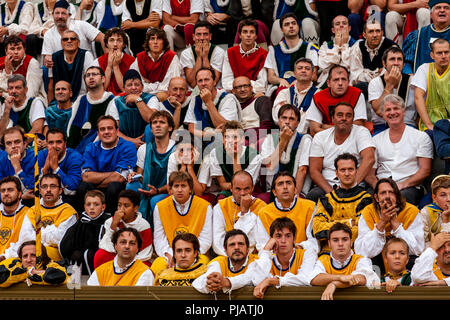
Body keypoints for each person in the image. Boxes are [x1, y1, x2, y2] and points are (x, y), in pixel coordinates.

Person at [368, 94, 433, 206]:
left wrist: (403, 184)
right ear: (383, 115)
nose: (392, 112)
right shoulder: (375, 140)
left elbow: (425, 170)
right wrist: (379, 187)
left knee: (399, 201)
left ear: (404, 111)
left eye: (396, 108)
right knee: (366, 201)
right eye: (388, 110)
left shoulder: (421, 137)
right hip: (382, 184)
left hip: (409, 187)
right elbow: (370, 173)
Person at [307, 102, 375, 202]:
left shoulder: (361, 132)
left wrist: (351, 186)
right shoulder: (320, 137)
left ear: (353, 120)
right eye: (340, 115)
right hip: (328, 186)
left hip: (356, 185)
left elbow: (369, 159)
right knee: (313, 196)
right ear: (332, 119)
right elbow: (314, 171)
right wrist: (333, 194)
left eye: (348, 116)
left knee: (369, 198)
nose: (344, 118)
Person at [355, 178, 425, 274]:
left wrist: (396, 225)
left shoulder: (411, 212)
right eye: (383, 193)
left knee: (416, 261)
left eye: (391, 192)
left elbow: (417, 249)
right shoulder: (368, 212)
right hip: (378, 263)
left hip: (404, 264)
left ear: (397, 196)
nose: (387, 196)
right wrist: (382, 223)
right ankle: (376, 288)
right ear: (376, 197)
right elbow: (362, 252)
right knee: (365, 262)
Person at [152, 171, 213, 276]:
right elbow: (159, 238)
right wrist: (173, 255)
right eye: (176, 186)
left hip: (197, 254)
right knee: (157, 267)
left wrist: (190, 255)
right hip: (170, 254)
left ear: (190, 189)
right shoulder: (160, 207)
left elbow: (206, 239)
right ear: (170, 189)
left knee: (204, 268)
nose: (180, 190)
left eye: (183, 186)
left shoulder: (205, 206)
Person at [312, 153, 373, 254]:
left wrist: (331, 228)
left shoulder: (366, 199)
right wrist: (349, 223)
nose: (347, 173)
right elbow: (317, 230)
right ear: (336, 173)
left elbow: (361, 231)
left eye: (350, 169)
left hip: (356, 254)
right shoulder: (326, 199)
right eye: (342, 170)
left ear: (356, 171)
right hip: (327, 255)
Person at [77, 115, 137, 214]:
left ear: (117, 131)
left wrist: (97, 181)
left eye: (110, 128)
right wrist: (113, 174)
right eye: (102, 129)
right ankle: (85, 219)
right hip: (95, 189)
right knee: (83, 186)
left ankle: (110, 219)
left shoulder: (127, 146)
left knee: (114, 186)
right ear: (98, 133)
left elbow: (120, 178)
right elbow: (86, 177)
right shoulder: (91, 147)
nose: (106, 132)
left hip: (115, 190)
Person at [309, 222, 380, 300]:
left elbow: (362, 278)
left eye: (344, 239)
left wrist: (334, 284)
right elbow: (314, 279)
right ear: (329, 243)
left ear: (351, 242)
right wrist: (340, 277)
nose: (340, 244)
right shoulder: (323, 260)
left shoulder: (361, 260)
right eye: (335, 240)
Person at [127, 110, 175, 221]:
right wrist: (134, 176)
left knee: (155, 200)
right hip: (148, 188)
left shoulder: (176, 150)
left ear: (170, 128)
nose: (157, 125)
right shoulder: (144, 149)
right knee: (130, 187)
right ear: (151, 128)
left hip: (167, 191)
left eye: (162, 122)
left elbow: (176, 183)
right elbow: (141, 175)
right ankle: (131, 224)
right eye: (154, 123)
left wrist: (157, 191)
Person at [252, 217, 318, 299]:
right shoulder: (267, 257)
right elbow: (257, 280)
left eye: (288, 236)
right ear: (271, 239)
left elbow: (305, 278)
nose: (283, 240)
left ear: (294, 239)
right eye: (278, 236)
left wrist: (271, 281)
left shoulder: (308, 254)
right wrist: (266, 250)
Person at [257, 171, 317, 251]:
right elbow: (262, 245)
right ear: (274, 192)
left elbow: (315, 242)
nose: (285, 187)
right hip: (274, 258)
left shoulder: (310, 207)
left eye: (288, 183)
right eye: (280, 184)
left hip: (302, 255)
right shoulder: (264, 213)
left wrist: (296, 248)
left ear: (295, 189)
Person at [261, 104, 313, 196]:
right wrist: (283, 141)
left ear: (298, 123)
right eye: (284, 118)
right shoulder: (269, 138)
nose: (287, 122)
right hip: (273, 191)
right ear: (278, 121)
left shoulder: (305, 140)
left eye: (291, 119)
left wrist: (295, 194)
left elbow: (303, 170)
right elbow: (270, 165)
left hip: (297, 190)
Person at [212, 170, 268, 256]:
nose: (242, 193)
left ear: (252, 188)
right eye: (238, 189)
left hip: (253, 256)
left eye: (246, 189)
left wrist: (244, 212)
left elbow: (255, 240)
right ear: (231, 188)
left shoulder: (262, 207)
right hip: (228, 257)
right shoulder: (220, 207)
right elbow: (217, 243)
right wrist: (234, 257)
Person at [26, 173, 78, 262]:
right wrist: (51, 231)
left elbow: (60, 238)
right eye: (44, 187)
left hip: (57, 257)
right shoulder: (33, 210)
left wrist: (38, 233)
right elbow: (26, 237)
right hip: (31, 253)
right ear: (40, 190)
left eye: (53, 186)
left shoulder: (68, 211)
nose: (48, 190)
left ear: (60, 190)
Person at [94, 190, 153, 269]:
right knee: (100, 255)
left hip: (136, 259)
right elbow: (104, 246)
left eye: (126, 206)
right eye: (119, 205)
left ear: (135, 208)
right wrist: (113, 225)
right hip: (117, 256)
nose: (121, 209)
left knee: (146, 266)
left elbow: (145, 253)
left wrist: (127, 264)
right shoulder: (110, 222)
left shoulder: (143, 225)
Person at [59, 189, 111, 275]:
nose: (91, 207)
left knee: (90, 254)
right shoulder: (81, 221)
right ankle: (73, 282)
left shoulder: (107, 222)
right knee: (76, 255)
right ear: (84, 207)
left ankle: (96, 281)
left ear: (103, 207)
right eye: (88, 204)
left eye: (96, 204)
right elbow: (66, 245)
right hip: (80, 259)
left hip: (100, 259)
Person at [305, 65, 367, 136]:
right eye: (336, 80)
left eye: (343, 79)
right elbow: (314, 130)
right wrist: (342, 128)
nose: (340, 83)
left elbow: (358, 127)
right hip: (324, 140)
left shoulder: (357, 94)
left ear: (348, 82)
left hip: (350, 140)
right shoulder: (318, 97)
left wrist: (325, 126)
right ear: (328, 83)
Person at [265, 13, 319, 94]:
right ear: (282, 29)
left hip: (304, 87)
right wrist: (280, 80)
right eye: (287, 24)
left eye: (293, 23)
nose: (291, 26)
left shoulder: (309, 48)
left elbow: (314, 76)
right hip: (282, 89)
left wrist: (298, 82)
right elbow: (271, 77)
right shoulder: (273, 51)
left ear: (298, 27)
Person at [41, 0, 105, 68]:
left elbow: (103, 38)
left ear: (69, 15)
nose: (60, 16)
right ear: (52, 15)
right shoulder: (48, 34)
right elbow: (48, 57)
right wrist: (48, 60)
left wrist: (107, 60)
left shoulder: (81, 25)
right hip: (62, 69)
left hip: (85, 67)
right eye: (57, 13)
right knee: (45, 69)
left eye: (63, 13)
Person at [66, 66, 116, 153]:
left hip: (98, 151)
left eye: (94, 74)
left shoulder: (112, 100)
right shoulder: (80, 100)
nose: (91, 77)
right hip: (74, 151)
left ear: (103, 79)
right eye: (88, 75)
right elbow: (72, 128)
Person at [368, 45, 416, 135]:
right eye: (392, 59)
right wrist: (389, 85)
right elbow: (378, 111)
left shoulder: (413, 81)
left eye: (399, 59)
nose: (396, 63)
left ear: (404, 64)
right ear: (384, 63)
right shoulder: (375, 82)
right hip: (382, 126)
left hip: (408, 125)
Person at [192, 229, 258, 294]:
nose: (237, 247)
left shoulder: (256, 261)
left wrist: (226, 282)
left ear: (248, 249)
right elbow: (197, 283)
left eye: (241, 244)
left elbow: (249, 277)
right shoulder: (219, 262)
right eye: (232, 244)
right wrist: (211, 283)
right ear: (225, 250)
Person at [209, 121, 263, 199]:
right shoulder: (215, 153)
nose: (230, 141)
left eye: (235, 137)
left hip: (249, 191)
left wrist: (235, 157)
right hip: (228, 190)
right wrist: (234, 187)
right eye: (227, 137)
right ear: (222, 139)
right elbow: (222, 184)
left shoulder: (254, 156)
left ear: (242, 139)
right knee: (221, 197)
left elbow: (243, 184)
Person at [184, 67, 241, 141]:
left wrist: (208, 102)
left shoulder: (227, 98)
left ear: (214, 82)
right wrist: (210, 134)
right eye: (200, 81)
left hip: (225, 141)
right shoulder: (195, 99)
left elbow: (227, 129)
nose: (203, 83)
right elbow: (191, 128)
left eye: (207, 80)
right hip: (202, 140)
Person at [107, 69, 158, 148]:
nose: (133, 88)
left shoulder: (151, 99)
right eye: (129, 85)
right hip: (125, 143)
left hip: (148, 143)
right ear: (124, 88)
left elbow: (152, 119)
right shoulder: (117, 102)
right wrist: (131, 141)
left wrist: (137, 100)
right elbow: (113, 129)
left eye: (137, 85)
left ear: (142, 87)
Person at [88, 227, 154, 286]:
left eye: (132, 243)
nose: (127, 246)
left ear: (138, 248)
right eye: (123, 242)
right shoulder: (100, 271)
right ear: (115, 246)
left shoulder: (145, 273)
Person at [129, 27, 182, 100]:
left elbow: (171, 85)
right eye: (152, 39)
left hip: (164, 94)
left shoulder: (171, 57)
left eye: (159, 39)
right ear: (148, 42)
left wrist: (147, 85)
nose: (155, 42)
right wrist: (155, 86)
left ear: (164, 42)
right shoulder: (140, 57)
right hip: (142, 94)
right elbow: (133, 82)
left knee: (161, 96)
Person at [349, 20, 397, 97]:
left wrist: (365, 72)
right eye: (371, 31)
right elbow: (355, 76)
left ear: (382, 32)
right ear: (364, 35)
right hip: (364, 86)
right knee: (359, 87)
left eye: (377, 31)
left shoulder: (391, 48)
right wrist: (377, 72)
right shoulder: (358, 46)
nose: (375, 35)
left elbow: (389, 76)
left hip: (385, 88)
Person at [411, 38, 450, 132]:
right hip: (431, 123)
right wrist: (429, 125)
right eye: (439, 53)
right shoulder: (424, 69)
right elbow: (418, 97)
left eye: (447, 52)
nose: (443, 56)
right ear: (432, 55)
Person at [402, 0, 450, 74]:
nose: (442, 10)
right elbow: (406, 62)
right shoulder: (417, 36)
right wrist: (411, 76)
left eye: (446, 8)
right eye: (438, 8)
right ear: (431, 14)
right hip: (422, 82)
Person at [221, 19, 268, 94]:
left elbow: (262, 85)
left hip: (254, 94)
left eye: (252, 32)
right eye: (245, 32)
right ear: (239, 35)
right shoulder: (230, 52)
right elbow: (226, 82)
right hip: (234, 94)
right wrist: (247, 86)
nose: (248, 35)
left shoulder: (263, 54)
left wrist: (239, 86)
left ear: (256, 36)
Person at [47, 29, 95, 104]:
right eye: (65, 39)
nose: (69, 41)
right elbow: (51, 84)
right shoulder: (54, 57)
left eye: (72, 39)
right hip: (60, 100)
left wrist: (88, 103)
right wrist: (49, 105)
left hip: (81, 99)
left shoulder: (86, 55)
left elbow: (91, 81)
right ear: (61, 43)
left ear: (78, 43)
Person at [38, 128, 83, 204]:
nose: (54, 146)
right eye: (51, 143)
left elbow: (72, 190)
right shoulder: (41, 155)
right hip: (46, 196)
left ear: (65, 144)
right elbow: (34, 189)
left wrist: (56, 168)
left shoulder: (75, 157)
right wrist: (45, 170)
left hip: (68, 199)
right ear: (47, 144)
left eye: (58, 142)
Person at [272, 58, 318, 134]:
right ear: (294, 73)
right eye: (300, 68)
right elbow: (277, 116)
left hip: (306, 136)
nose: (303, 70)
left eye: (307, 68)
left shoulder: (318, 94)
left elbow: (311, 121)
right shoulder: (284, 93)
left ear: (313, 74)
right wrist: (302, 114)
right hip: (281, 133)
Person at [0, 240, 69, 288]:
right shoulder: (16, 266)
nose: (29, 260)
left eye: (33, 255)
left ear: (43, 257)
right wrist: (30, 271)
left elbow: (58, 276)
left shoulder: (54, 266)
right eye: (25, 256)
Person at [180, 21, 224, 90]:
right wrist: (199, 57)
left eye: (205, 34)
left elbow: (214, 82)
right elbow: (193, 84)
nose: (202, 38)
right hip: (192, 92)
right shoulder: (186, 53)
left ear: (210, 37)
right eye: (198, 34)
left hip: (214, 90)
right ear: (193, 37)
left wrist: (205, 56)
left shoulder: (219, 52)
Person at [92, 27, 135, 96]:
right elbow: (100, 90)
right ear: (106, 44)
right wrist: (109, 66)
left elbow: (126, 90)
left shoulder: (132, 62)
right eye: (111, 40)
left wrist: (116, 66)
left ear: (124, 44)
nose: (115, 44)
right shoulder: (97, 62)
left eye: (119, 40)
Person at [0, 35, 45, 100]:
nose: (16, 52)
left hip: (30, 102)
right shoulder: (1, 62)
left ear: (24, 50)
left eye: (19, 48)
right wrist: (7, 72)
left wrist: (4, 94)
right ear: (6, 51)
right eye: (12, 49)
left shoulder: (32, 63)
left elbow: (31, 93)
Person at [317, 15, 357, 88]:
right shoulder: (325, 46)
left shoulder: (357, 44)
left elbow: (350, 65)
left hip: (350, 80)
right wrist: (337, 47)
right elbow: (323, 65)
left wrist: (344, 45)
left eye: (344, 23)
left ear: (349, 28)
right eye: (337, 24)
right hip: (328, 81)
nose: (341, 25)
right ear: (333, 30)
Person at [231, 76, 273, 142]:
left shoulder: (261, 101)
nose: (242, 89)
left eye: (246, 86)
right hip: (237, 141)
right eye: (239, 87)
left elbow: (266, 127)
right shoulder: (231, 105)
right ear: (233, 91)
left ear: (251, 88)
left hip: (259, 141)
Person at [0, 176, 30, 262]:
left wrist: (4, 257)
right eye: (3, 190)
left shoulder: (29, 213)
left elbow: (25, 242)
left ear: (20, 194)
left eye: (10, 190)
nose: (6, 193)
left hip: (15, 262)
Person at [0, 126, 35, 193]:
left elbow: (33, 187)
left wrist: (17, 167)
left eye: (17, 142)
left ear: (25, 144)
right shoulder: (1, 161)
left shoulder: (35, 157)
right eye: (9, 143)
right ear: (5, 148)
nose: (13, 146)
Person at [420, 175, 450, 248]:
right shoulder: (426, 212)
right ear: (434, 198)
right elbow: (421, 245)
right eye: (443, 195)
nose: (449, 199)